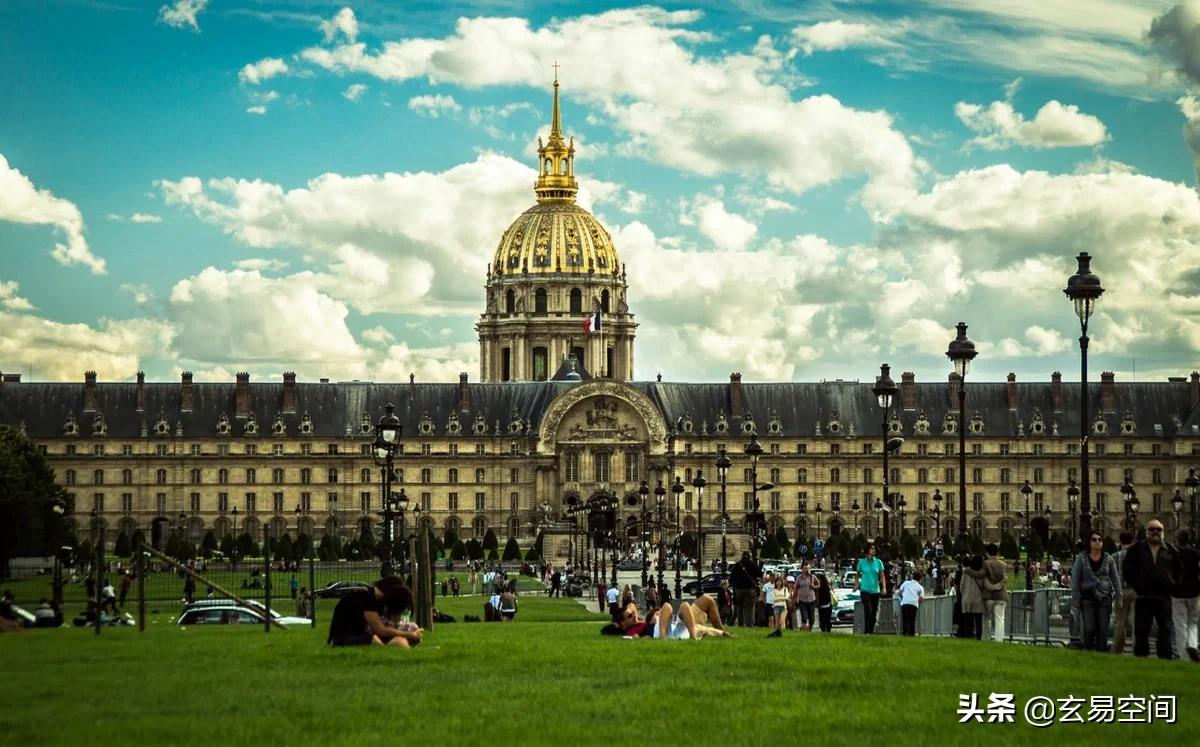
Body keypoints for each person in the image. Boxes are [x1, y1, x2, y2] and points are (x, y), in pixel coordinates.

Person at [1122, 519, 1176, 658]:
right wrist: (1138, 585)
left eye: (1158, 529)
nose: (1155, 532)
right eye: (1152, 529)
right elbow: (1127, 571)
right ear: (1147, 531)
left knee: (1165, 630)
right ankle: (1141, 660)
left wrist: (1172, 585)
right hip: (1143, 596)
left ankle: (1165, 658)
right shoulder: (1136, 549)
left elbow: (1179, 570)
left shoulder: (1171, 550)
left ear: (1163, 532)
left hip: (1163, 597)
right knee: (1141, 631)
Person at [326, 576, 420, 647]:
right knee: (374, 639)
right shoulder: (366, 598)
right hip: (342, 638)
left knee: (396, 639)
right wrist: (410, 634)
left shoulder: (376, 600)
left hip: (359, 635)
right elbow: (380, 630)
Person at [1071, 530, 1121, 652]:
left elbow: (1115, 578)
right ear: (1089, 542)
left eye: (1100, 539)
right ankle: (1088, 650)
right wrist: (1075, 598)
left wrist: (1119, 596)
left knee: (1103, 629)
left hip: (1105, 598)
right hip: (1087, 598)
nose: (1097, 542)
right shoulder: (1081, 558)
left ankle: (1101, 654)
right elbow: (1075, 579)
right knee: (1089, 628)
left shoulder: (1108, 558)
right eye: (1094, 539)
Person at [602, 593, 733, 640]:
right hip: (670, 629)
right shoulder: (631, 629)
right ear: (623, 624)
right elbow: (636, 637)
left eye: (632, 614)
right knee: (670, 607)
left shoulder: (638, 622)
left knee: (704, 601)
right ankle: (716, 633)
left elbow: (631, 605)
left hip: (674, 625)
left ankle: (721, 633)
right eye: (630, 616)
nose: (634, 615)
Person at [1171, 529, 1200, 662]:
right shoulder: (1196, 553)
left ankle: (1184, 656)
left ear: (1178, 539)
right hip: (1194, 592)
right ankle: (1192, 644)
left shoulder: (1173, 552)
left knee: (1180, 623)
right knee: (1192, 622)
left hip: (1177, 592)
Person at [972, 543, 1008, 642]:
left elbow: (981, 575)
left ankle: (986, 639)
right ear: (997, 552)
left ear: (987, 553)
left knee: (986, 619)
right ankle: (999, 640)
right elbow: (1005, 580)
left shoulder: (986, 563)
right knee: (1000, 619)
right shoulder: (1003, 565)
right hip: (1001, 595)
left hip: (989, 596)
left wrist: (969, 571)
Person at [1111, 530, 1137, 654]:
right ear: (1132, 541)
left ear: (1120, 541)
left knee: (1119, 623)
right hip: (1135, 591)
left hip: (1120, 591)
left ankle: (1117, 650)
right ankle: (1137, 650)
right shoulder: (1138, 556)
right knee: (1135, 622)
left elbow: (1111, 575)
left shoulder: (1115, 556)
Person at [855, 544, 886, 634]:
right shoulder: (862, 562)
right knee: (868, 610)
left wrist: (884, 587)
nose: (873, 550)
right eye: (871, 549)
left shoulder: (878, 562)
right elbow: (857, 575)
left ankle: (871, 632)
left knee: (873, 613)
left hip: (875, 591)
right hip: (865, 590)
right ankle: (866, 632)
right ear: (867, 550)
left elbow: (882, 576)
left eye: (874, 548)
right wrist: (856, 584)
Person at [956, 556, 985, 639]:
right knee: (978, 621)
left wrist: (964, 593)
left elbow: (961, 586)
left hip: (967, 598)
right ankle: (978, 637)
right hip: (978, 599)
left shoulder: (965, 572)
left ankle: (969, 636)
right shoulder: (981, 573)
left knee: (968, 621)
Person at [730, 551, 760, 627]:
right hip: (750, 588)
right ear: (749, 556)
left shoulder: (738, 564)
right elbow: (760, 573)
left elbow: (732, 577)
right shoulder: (752, 564)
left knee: (740, 607)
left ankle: (740, 624)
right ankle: (749, 624)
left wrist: (736, 585)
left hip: (739, 589)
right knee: (750, 607)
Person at [897, 571, 924, 636]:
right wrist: (917, 601)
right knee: (912, 619)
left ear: (912, 576)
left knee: (905, 618)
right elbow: (921, 599)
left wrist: (903, 597)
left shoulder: (906, 583)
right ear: (920, 579)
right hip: (914, 603)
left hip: (905, 602)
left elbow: (900, 592)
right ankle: (912, 633)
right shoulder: (920, 587)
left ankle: (905, 632)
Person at [794, 562, 816, 632]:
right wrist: (793, 600)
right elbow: (796, 590)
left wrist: (814, 586)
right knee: (804, 617)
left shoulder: (812, 576)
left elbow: (818, 585)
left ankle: (809, 630)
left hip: (811, 600)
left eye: (808, 568)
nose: (807, 570)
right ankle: (804, 632)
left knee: (812, 618)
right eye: (805, 568)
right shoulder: (799, 578)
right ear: (802, 569)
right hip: (802, 600)